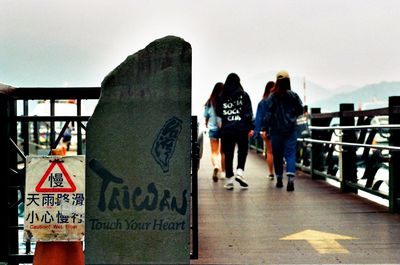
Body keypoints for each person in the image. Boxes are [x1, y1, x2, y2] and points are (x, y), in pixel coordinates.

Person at [260, 70, 303, 191]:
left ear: (277, 81)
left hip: (276, 131)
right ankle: (290, 179)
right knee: (290, 154)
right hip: (290, 129)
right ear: (288, 81)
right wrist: (292, 115)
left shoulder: (273, 96)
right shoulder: (293, 95)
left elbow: (268, 114)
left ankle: (279, 177)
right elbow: (300, 109)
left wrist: (264, 127)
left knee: (277, 155)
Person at [216, 73, 253, 190]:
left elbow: (219, 115)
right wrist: (250, 127)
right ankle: (240, 172)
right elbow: (248, 113)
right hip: (241, 128)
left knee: (228, 154)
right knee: (242, 150)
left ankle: (229, 180)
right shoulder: (244, 95)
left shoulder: (221, 97)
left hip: (227, 129)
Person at [251, 81, 275, 180]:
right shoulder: (277, 100)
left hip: (266, 130)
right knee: (278, 152)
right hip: (278, 129)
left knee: (270, 152)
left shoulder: (262, 102)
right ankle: (278, 173)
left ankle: (271, 173)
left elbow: (258, 119)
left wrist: (256, 132)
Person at [204, 82, 225, 182]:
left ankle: (216, 166)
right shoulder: (225, 100)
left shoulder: (209, 102)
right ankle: (223, 172)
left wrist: (206, 124)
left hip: (213, 129)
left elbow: (206, 116)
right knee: (223, 152)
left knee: (214, 152)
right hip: (224, 129)